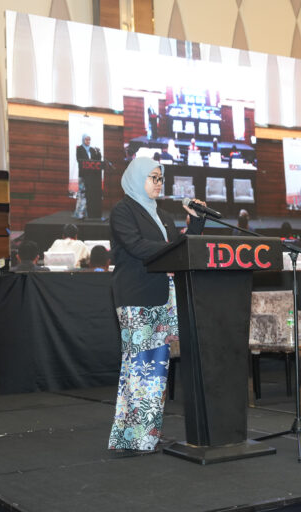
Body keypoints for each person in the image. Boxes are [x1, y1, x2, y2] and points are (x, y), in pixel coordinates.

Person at [107, 157, 206, 453]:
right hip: (136, 297)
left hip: (162, 297)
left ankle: (142, 434)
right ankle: (137, 436)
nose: (159, 183)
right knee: (141, 368)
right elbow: (137, 246)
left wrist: (196, 222)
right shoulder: (123, 210)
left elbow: (181, 251)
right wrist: (174, 246)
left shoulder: (162, 215)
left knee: (155, 369)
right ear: (137, 178)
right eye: (153, 177)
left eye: (161, 178)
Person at [75, 134, 102, 218]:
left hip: (92, 176)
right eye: (86, 140)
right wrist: (88, 162)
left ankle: (88, 213)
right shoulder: (79, 148)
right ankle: (79, 214)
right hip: (83, 175)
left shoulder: (92, 149)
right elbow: (79, 160)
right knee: (82, 194)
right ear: (83, 140)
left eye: (89, 140)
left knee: (90, 195)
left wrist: (98, 152)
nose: (88, 141)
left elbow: (97, 160)